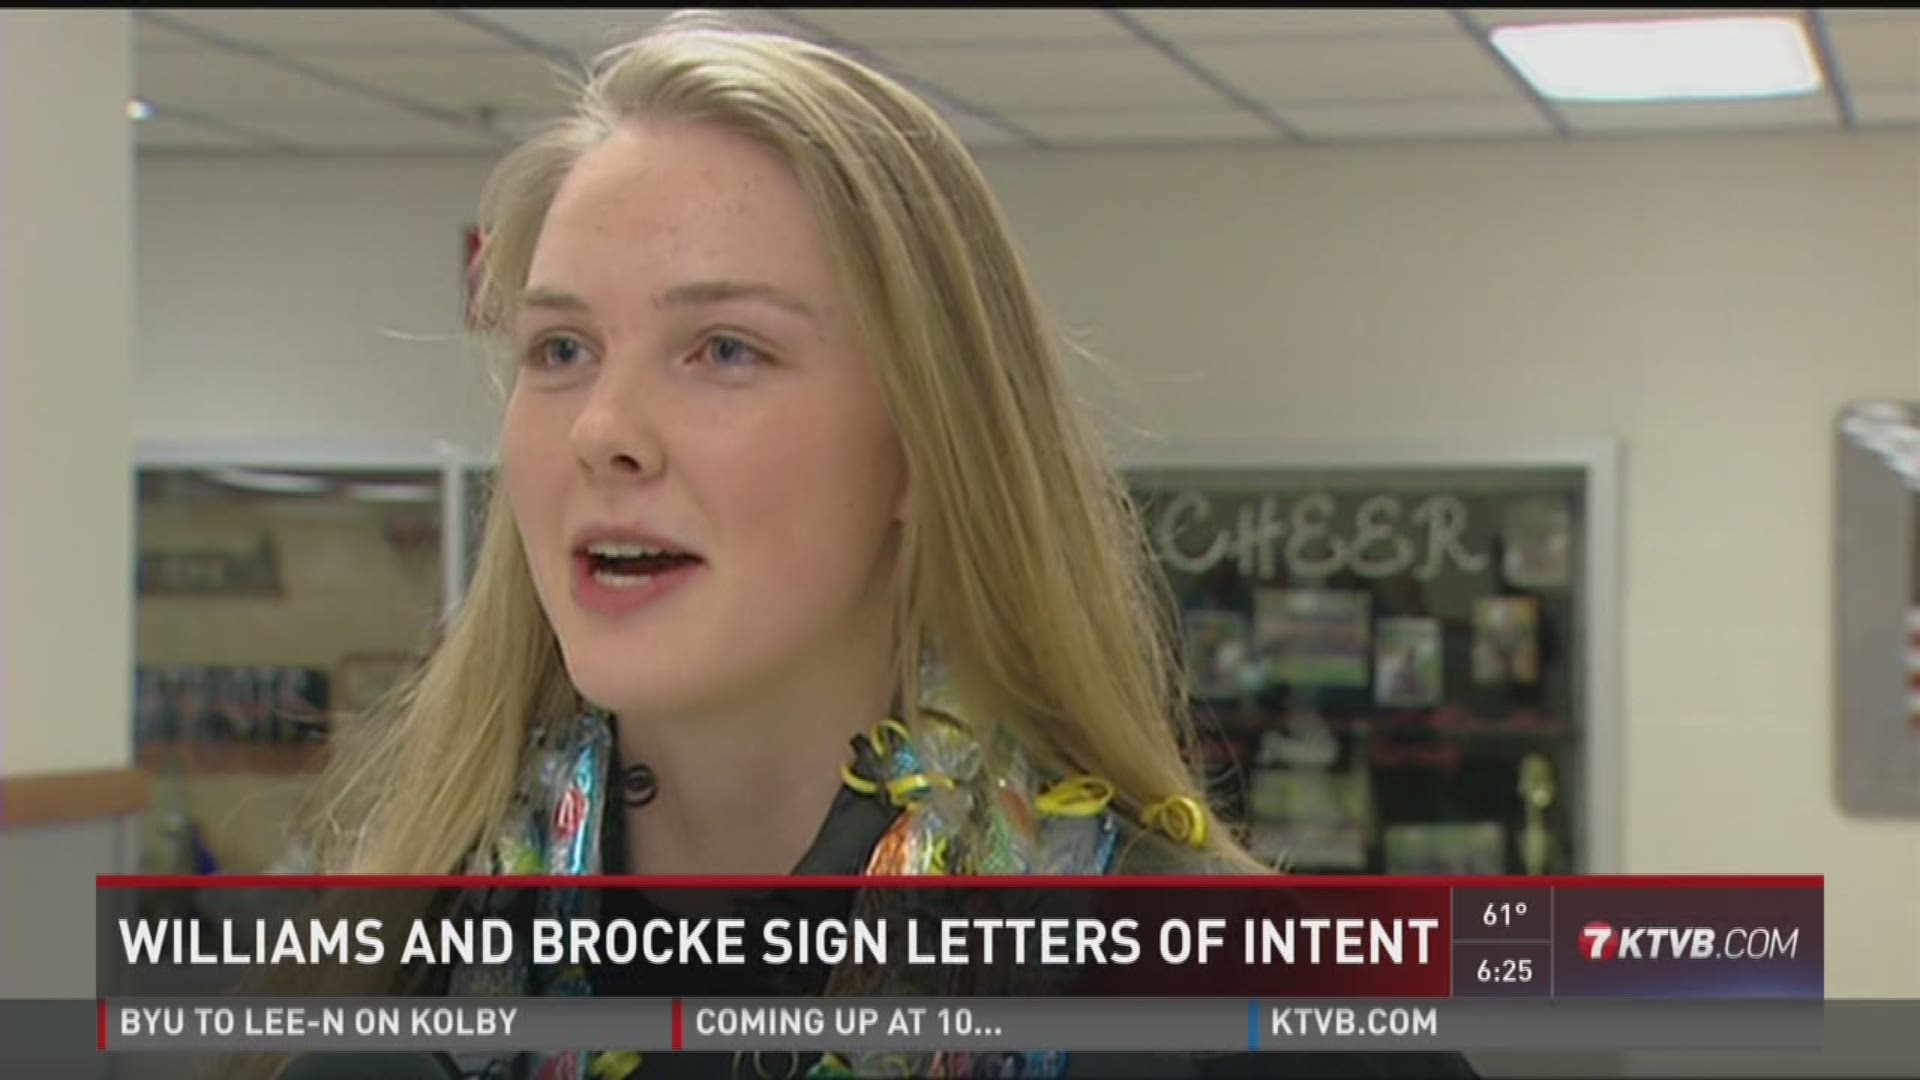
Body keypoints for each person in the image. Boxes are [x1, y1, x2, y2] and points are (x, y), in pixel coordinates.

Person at [296, 12, 1478, 1080]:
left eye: (723, 349)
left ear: (922, 442)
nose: (604, 430)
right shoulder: (392, 1004)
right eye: (560, 350)